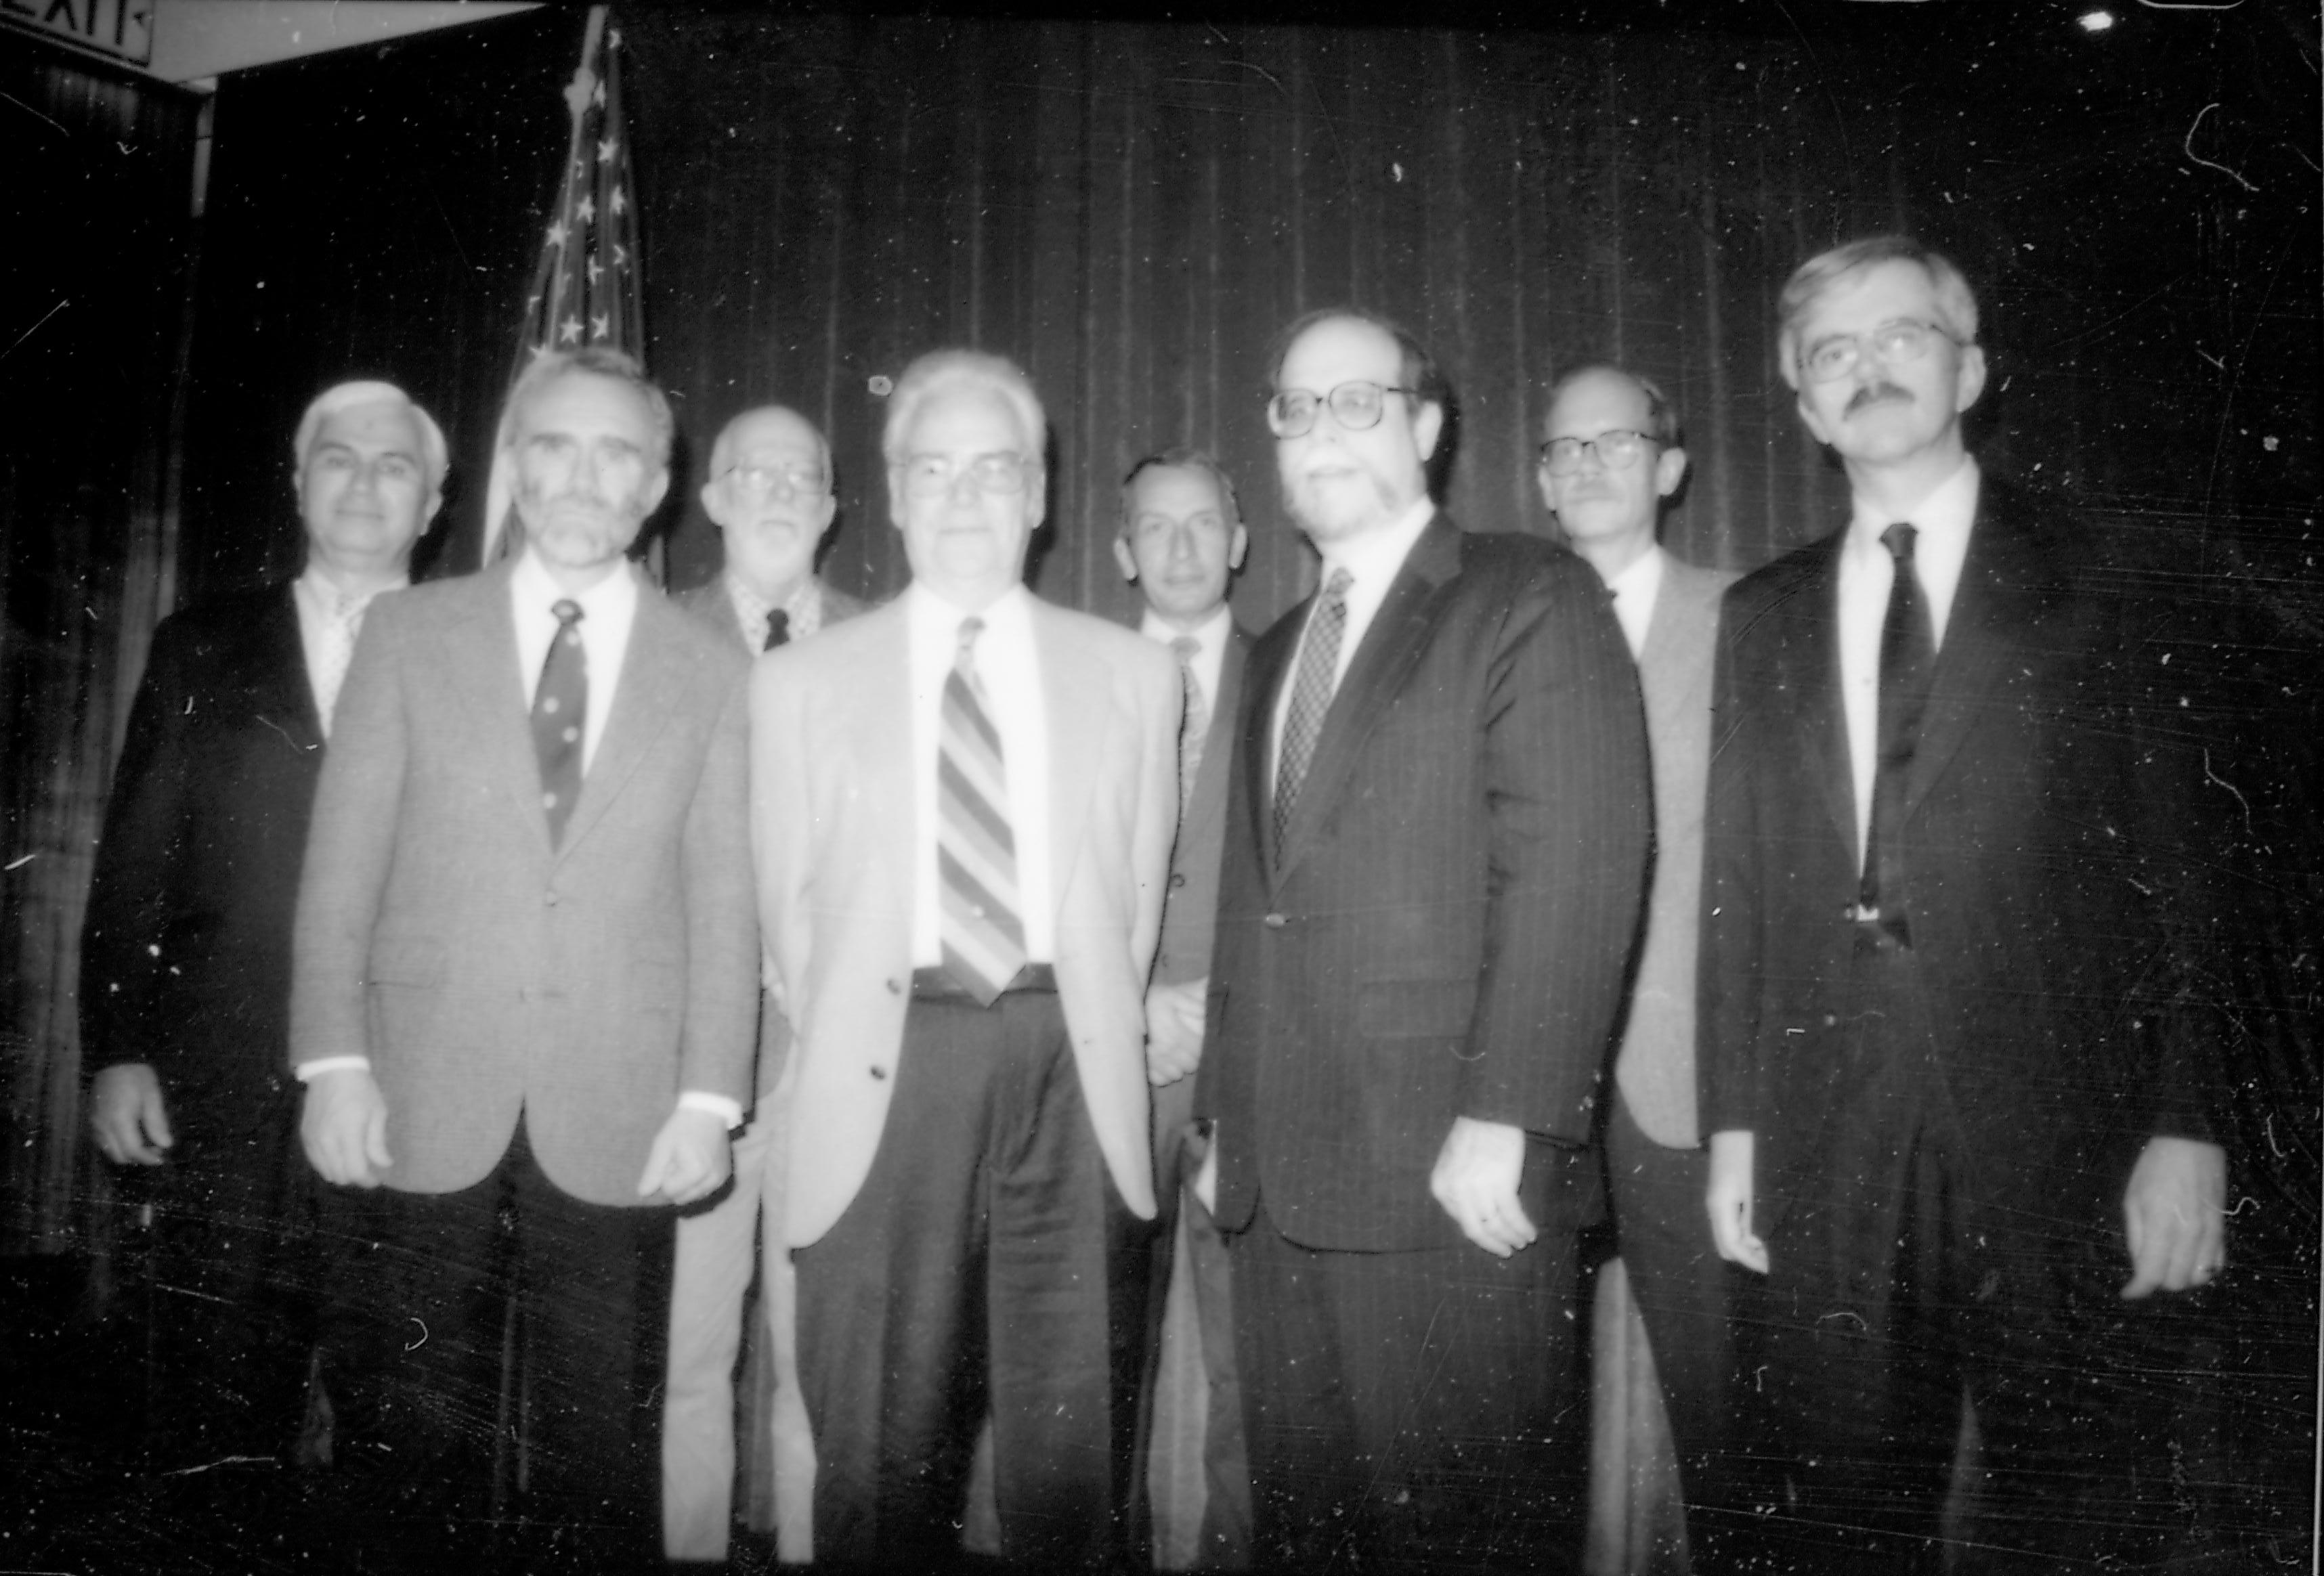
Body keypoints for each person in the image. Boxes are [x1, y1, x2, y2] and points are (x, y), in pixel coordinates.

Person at [1700, 236, 2228, 1571]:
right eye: (1834, 354)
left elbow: (2188, 874)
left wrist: (2191, 1126)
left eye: (1901, 336)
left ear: (1971, 366)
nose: (1868, 368)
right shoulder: (1758, 618)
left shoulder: (2109, 574)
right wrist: (1736, 1126)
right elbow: (1739, 891)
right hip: (1829, 1134)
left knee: (2077, 1508)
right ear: (1805, 405)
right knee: (1839, 1516)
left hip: (2066, 1137)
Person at [1195, 309, 1650, 1571]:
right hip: (1281, 1187)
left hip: (1454, 1177)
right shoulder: (1281, 646)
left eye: (1360, 402)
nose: (1321, 430)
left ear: (1428, 428)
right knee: (1308, 1535)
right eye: (1297, 406)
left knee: (1463, 1540)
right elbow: (1259, 900)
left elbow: (1577, 866)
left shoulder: (1526, 589)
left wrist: (1507, 1114)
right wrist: (1226, 1117)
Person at [290, 347, 760, 1571]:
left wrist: (711, 1100)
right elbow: (341, 873)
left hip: (617, 1109)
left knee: (595, 1455)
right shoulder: (406, 632)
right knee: (399, 1446)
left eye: (618, 452)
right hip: (417, 1091)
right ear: (513, 464)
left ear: (658, 484)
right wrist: (335, 1062)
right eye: (554, 444)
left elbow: (725, 898)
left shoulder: (713, 671)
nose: (583, 476)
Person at [752, 348, 1179, 1570]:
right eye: (931, 470)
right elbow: (792, 924)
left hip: (1071, 1075)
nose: (963, 497)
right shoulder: (797, 684)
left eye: (996, 470)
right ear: (890, 494)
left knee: (1073, 1462)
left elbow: (1134, 903)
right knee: (879, 1468)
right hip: (893, 1068)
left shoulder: (1137, 676)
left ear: (1041, 496)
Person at [79, 380, 444, 1500]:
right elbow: (135, 859)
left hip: (414, 1088)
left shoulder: (481, 660)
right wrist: (118, 1046)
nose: (365, 483)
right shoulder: (204, 645)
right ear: (298, 483)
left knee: (404, 1416)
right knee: (210, 1400)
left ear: (434, 503)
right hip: (221, 1076)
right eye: (340, 458)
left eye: (395, 466)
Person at [1536, 364, 1737, 1569]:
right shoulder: (1495, 622)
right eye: (1563, 448)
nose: (1587, 465)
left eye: (1615, 442)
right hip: (1527, 1085)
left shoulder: (1748, 616)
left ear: (1668, 468)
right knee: (1512, 1420)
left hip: (1684, 1084)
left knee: (1726, 1420)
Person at [662, 403, 866, 1564]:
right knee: (690, 1361)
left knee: (815, 1368)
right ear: (714, 496)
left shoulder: (884, 643)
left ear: (832, 509)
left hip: (834, 1071)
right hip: (691, 1067)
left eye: (805, 477)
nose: (781, 491)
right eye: (756, 472)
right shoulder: (654, 634)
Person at [1111, 446, 1255, 1569]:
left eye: (1201, 522)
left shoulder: (1306, 675)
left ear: (1240, 540)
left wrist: (1220, 1001)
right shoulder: (1075, 681)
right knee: (1095, 1362)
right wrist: (1128, 1004)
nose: (1179, 545)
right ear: (1121, 553)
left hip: (1250, 1064)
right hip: (1106, 1068)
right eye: (1154, 527)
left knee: (1252, 1372)